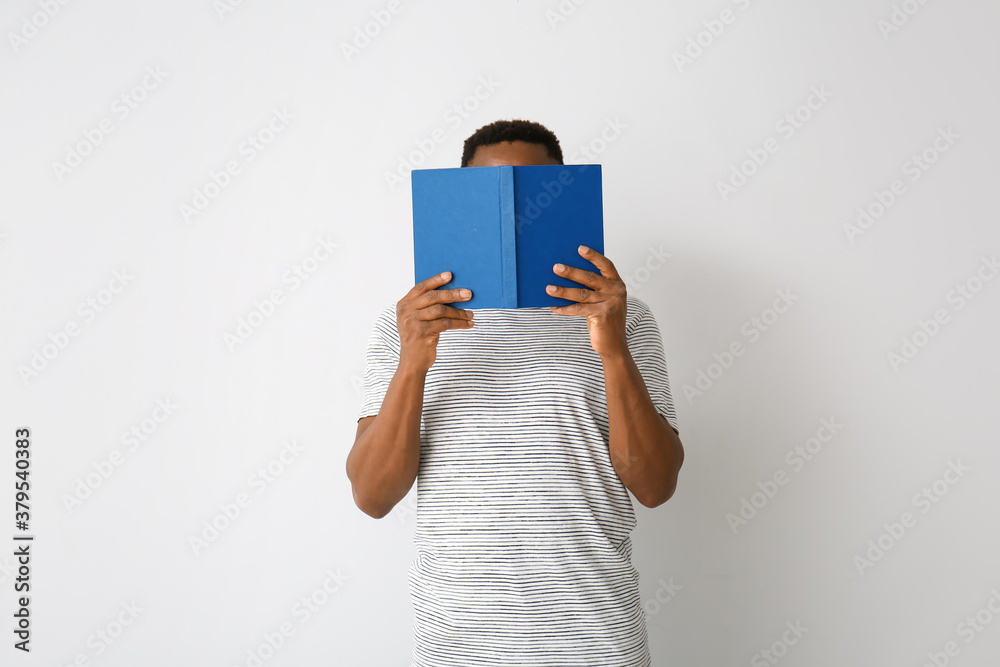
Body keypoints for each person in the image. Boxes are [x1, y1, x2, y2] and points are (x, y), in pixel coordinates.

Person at [346, 119, 684, 666]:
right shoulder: (405, 326)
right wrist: (414, 362)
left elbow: (655, 485)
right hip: (459, 643)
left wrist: (613, 349)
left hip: (595, 641)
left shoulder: (626, 319)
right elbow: (373, 497)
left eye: (535, 190)